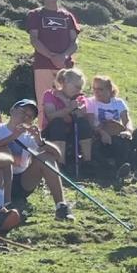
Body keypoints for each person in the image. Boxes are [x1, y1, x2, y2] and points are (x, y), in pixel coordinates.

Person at [0, 99, 69, 218]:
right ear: (12, 111)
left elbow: (57, 155)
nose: (25, 117)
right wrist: (13, 136)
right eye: (23, 112)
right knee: (4, 152)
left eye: (30, 116)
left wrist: (40, 141)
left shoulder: (29, 137)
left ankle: (61, 206)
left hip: (22, 181)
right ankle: (5, 204)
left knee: (46, 157)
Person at [26, 0, 80, 127]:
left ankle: (69, 131)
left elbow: (74, 42)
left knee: (68, 100)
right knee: (45, 101)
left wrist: (64, 56)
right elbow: (34, 39)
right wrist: (51, 56)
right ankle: (44, 131)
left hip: (65, 65)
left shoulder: (67, 16)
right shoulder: (35, 14)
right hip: (43, 64)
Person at [86, 75, 137, 184]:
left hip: (120, 134)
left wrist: (128, 130)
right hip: (103, 139)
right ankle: (121, 170)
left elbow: (126, 120)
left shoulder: (118, 103)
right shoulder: (91, 102)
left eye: (100, 89)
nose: (97, 92)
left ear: (109, 89)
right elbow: (91, 123)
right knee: (117, 142)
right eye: (94, 89)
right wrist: (102, 133)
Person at [41, 67, 94, 198]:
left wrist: (75, 109)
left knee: (84, 124)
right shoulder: (49, 94)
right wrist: (68, 107)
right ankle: (61, 164)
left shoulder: (80, 98)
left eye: (80, 87)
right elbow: (51, 115)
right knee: (58, 123)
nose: (78, 90)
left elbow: (82, 115)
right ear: (64, 82)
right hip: (52, 132)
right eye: (76, 86)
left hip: (72, 131)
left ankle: (88, 162)